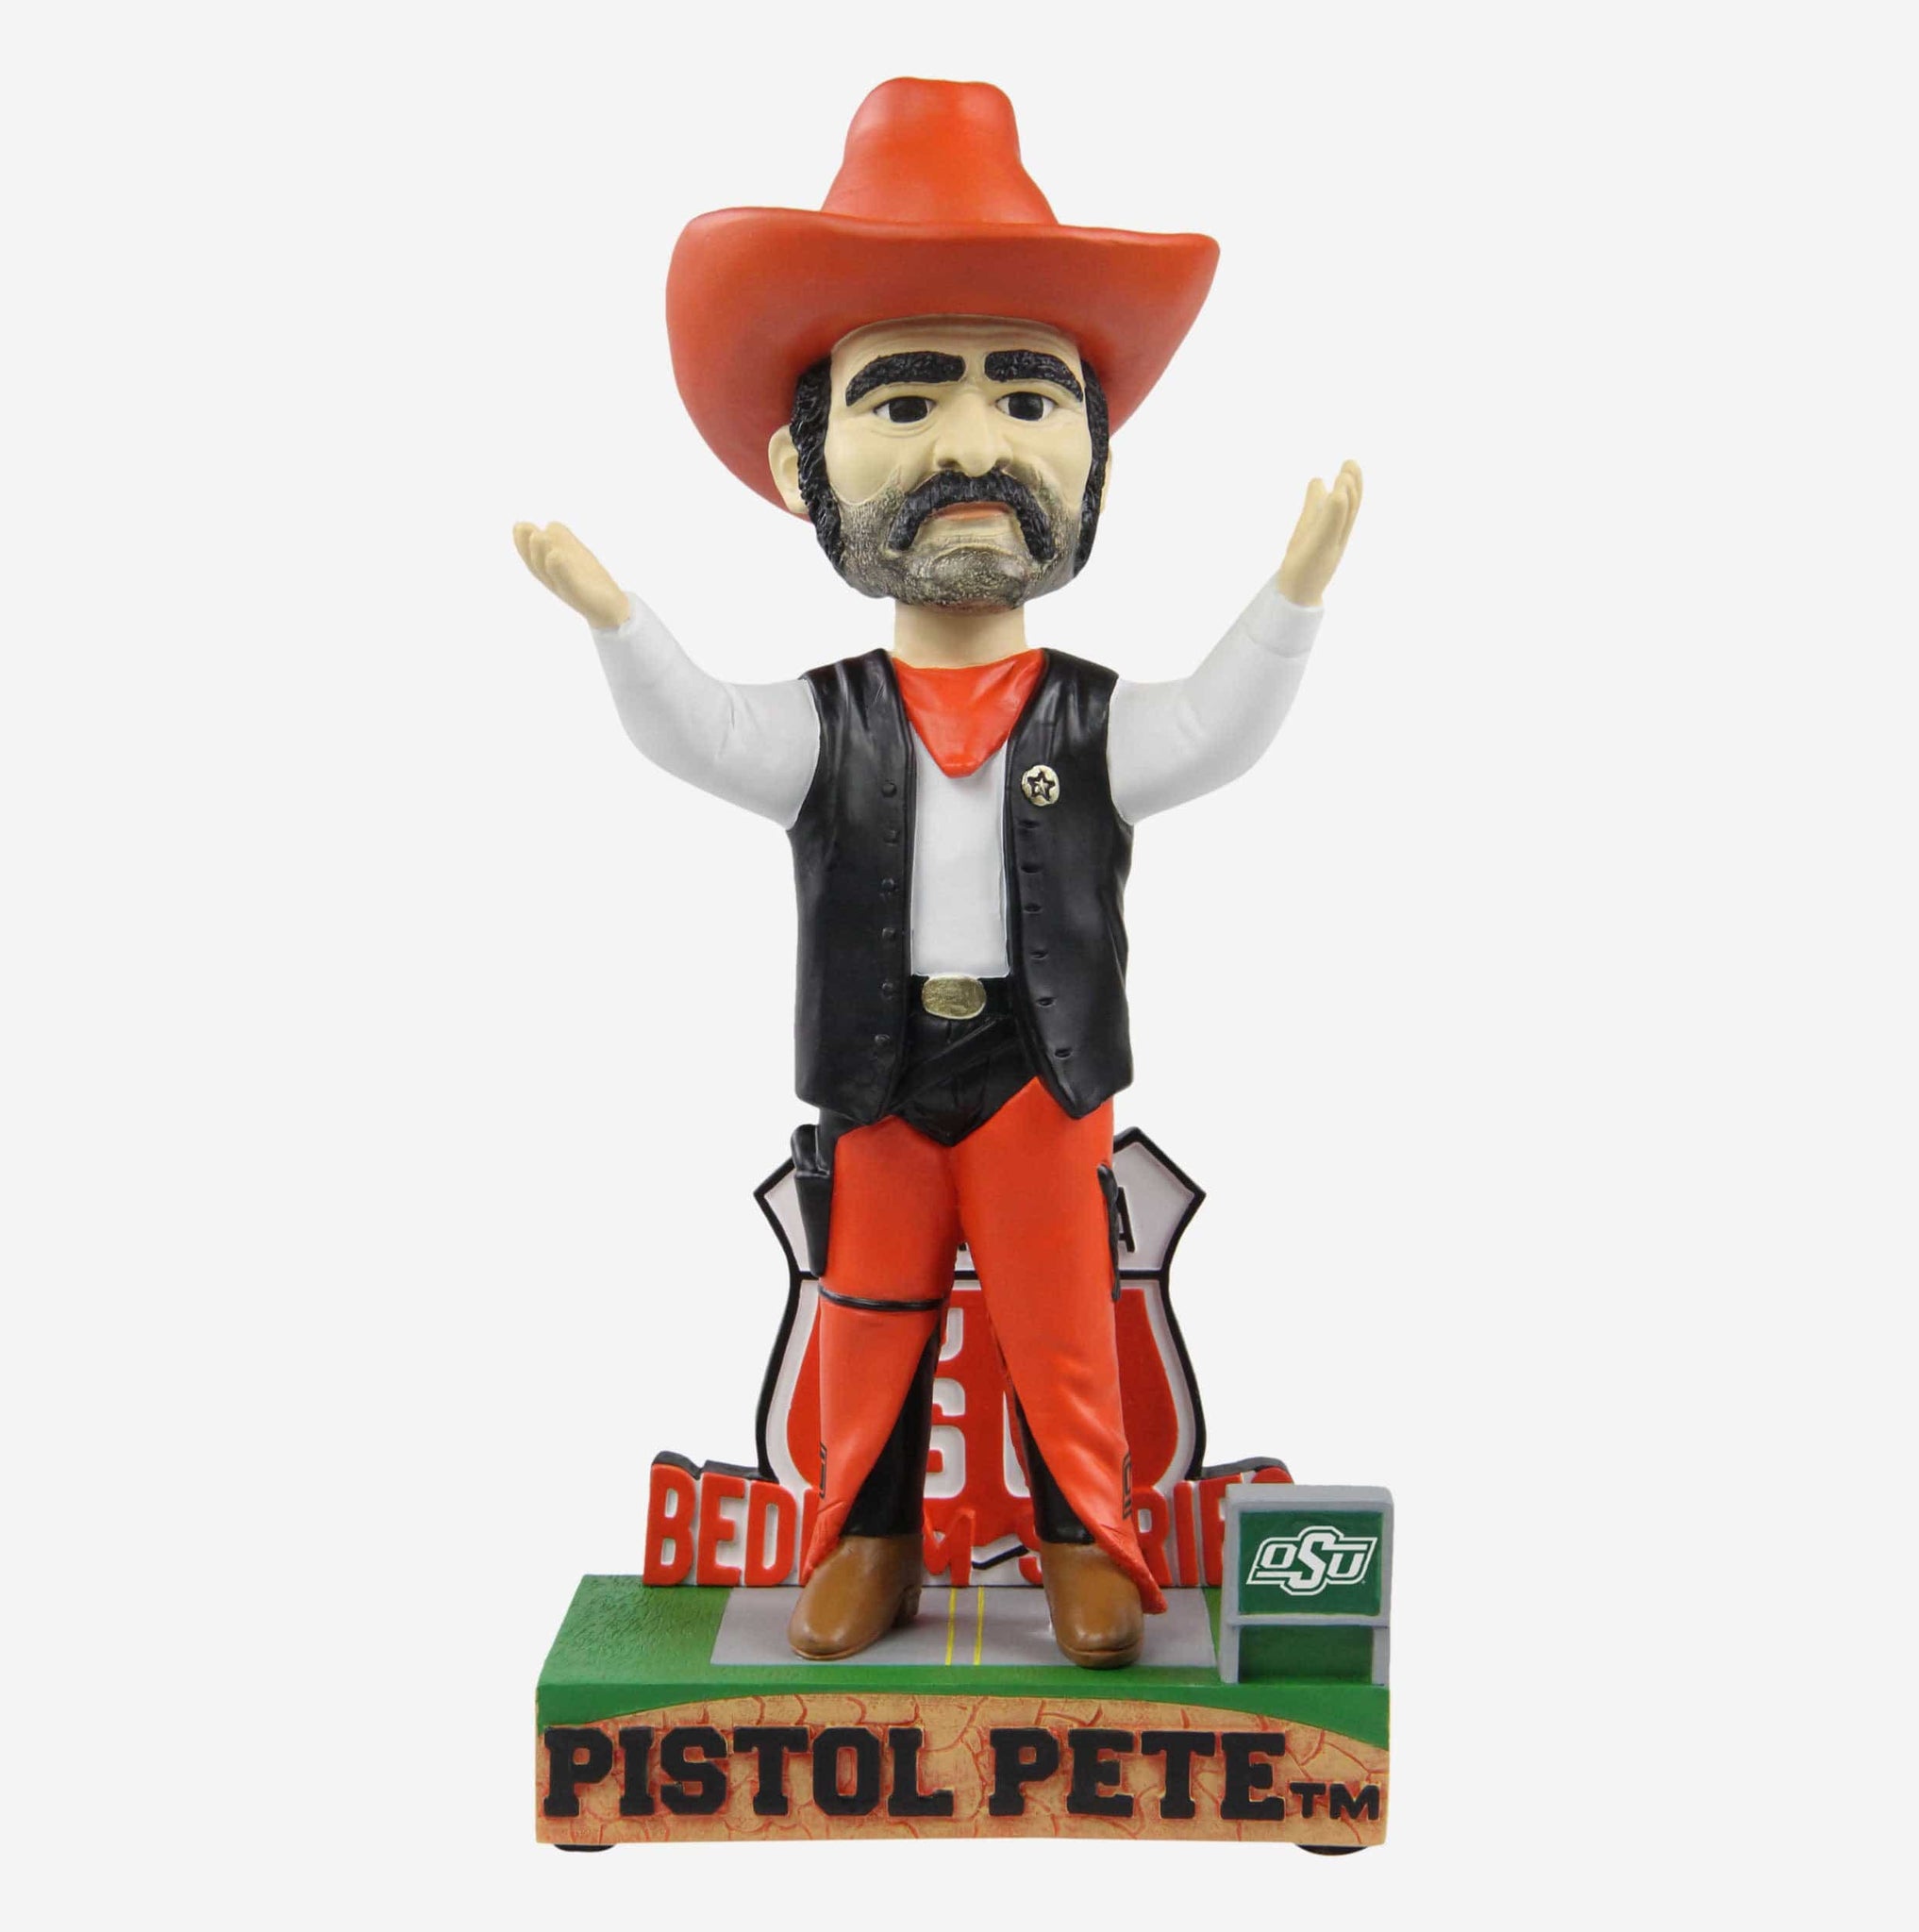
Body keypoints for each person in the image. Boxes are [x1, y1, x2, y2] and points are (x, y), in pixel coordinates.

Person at [514, 79, 1360, 1669]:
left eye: (1025, 398)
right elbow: (703, 735)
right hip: (877, 1068)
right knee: (868, 1317)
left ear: (1096, 454)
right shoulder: (823, 727)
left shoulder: (1096, 723)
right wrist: (620, 626)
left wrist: (1292, 602)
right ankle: (867, 1540)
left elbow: (1213, 729)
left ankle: (1089, 1545)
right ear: (801, 466)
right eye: (907, 403)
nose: (974, 445)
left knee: (1063, 1320)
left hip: (1044, 1070)